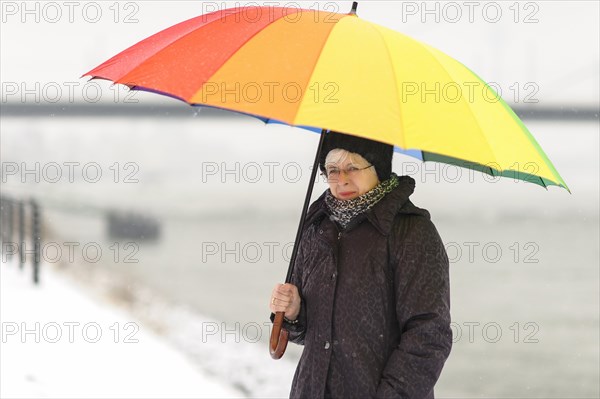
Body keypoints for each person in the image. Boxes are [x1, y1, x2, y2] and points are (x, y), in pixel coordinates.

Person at [269, 131, 452, 399]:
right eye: (332, 169)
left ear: (378, 168)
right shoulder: (317, 226)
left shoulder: (412, 233)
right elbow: (306, 334)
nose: (341, 179)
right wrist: (294, 313)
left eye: (352, 168)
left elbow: (429, 336)